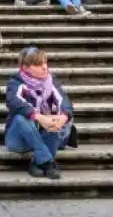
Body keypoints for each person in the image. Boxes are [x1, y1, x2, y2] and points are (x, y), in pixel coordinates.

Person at [5, 46, 76, 180]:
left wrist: (63, 116)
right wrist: (39, 117)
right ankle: (48, 162)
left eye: (45, 62)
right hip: (20, 140)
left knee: (56, 120)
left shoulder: (51, 81)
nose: (44, 67)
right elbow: (15, 102)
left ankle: (37, 162)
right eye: (38, 64)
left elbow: (65, 102)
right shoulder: (15, 82)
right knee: (21, 118)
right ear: (25, 67)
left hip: (47, 134)